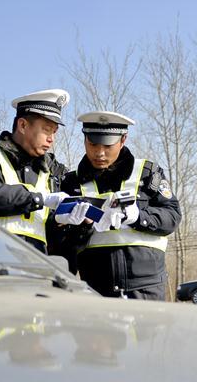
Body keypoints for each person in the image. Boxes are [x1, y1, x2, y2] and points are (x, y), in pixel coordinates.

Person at [58, 111, 181, 300]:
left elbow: (172, 217)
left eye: (108, 145)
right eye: (92, 144)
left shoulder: (148, 173)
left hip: (146, 289)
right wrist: (81, 228)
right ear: (84, 139)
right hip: (96, 291)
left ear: (123, 139)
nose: (99, 153)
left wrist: (138, 216)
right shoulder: (71, 184)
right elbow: (62, 246)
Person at [0, 89, 70, 254]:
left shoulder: (51, 171)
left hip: (36, 267)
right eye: (47, 130)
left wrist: (60, 221)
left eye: (54, 132)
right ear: (23, 125)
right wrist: (39, 198)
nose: (51, 139)